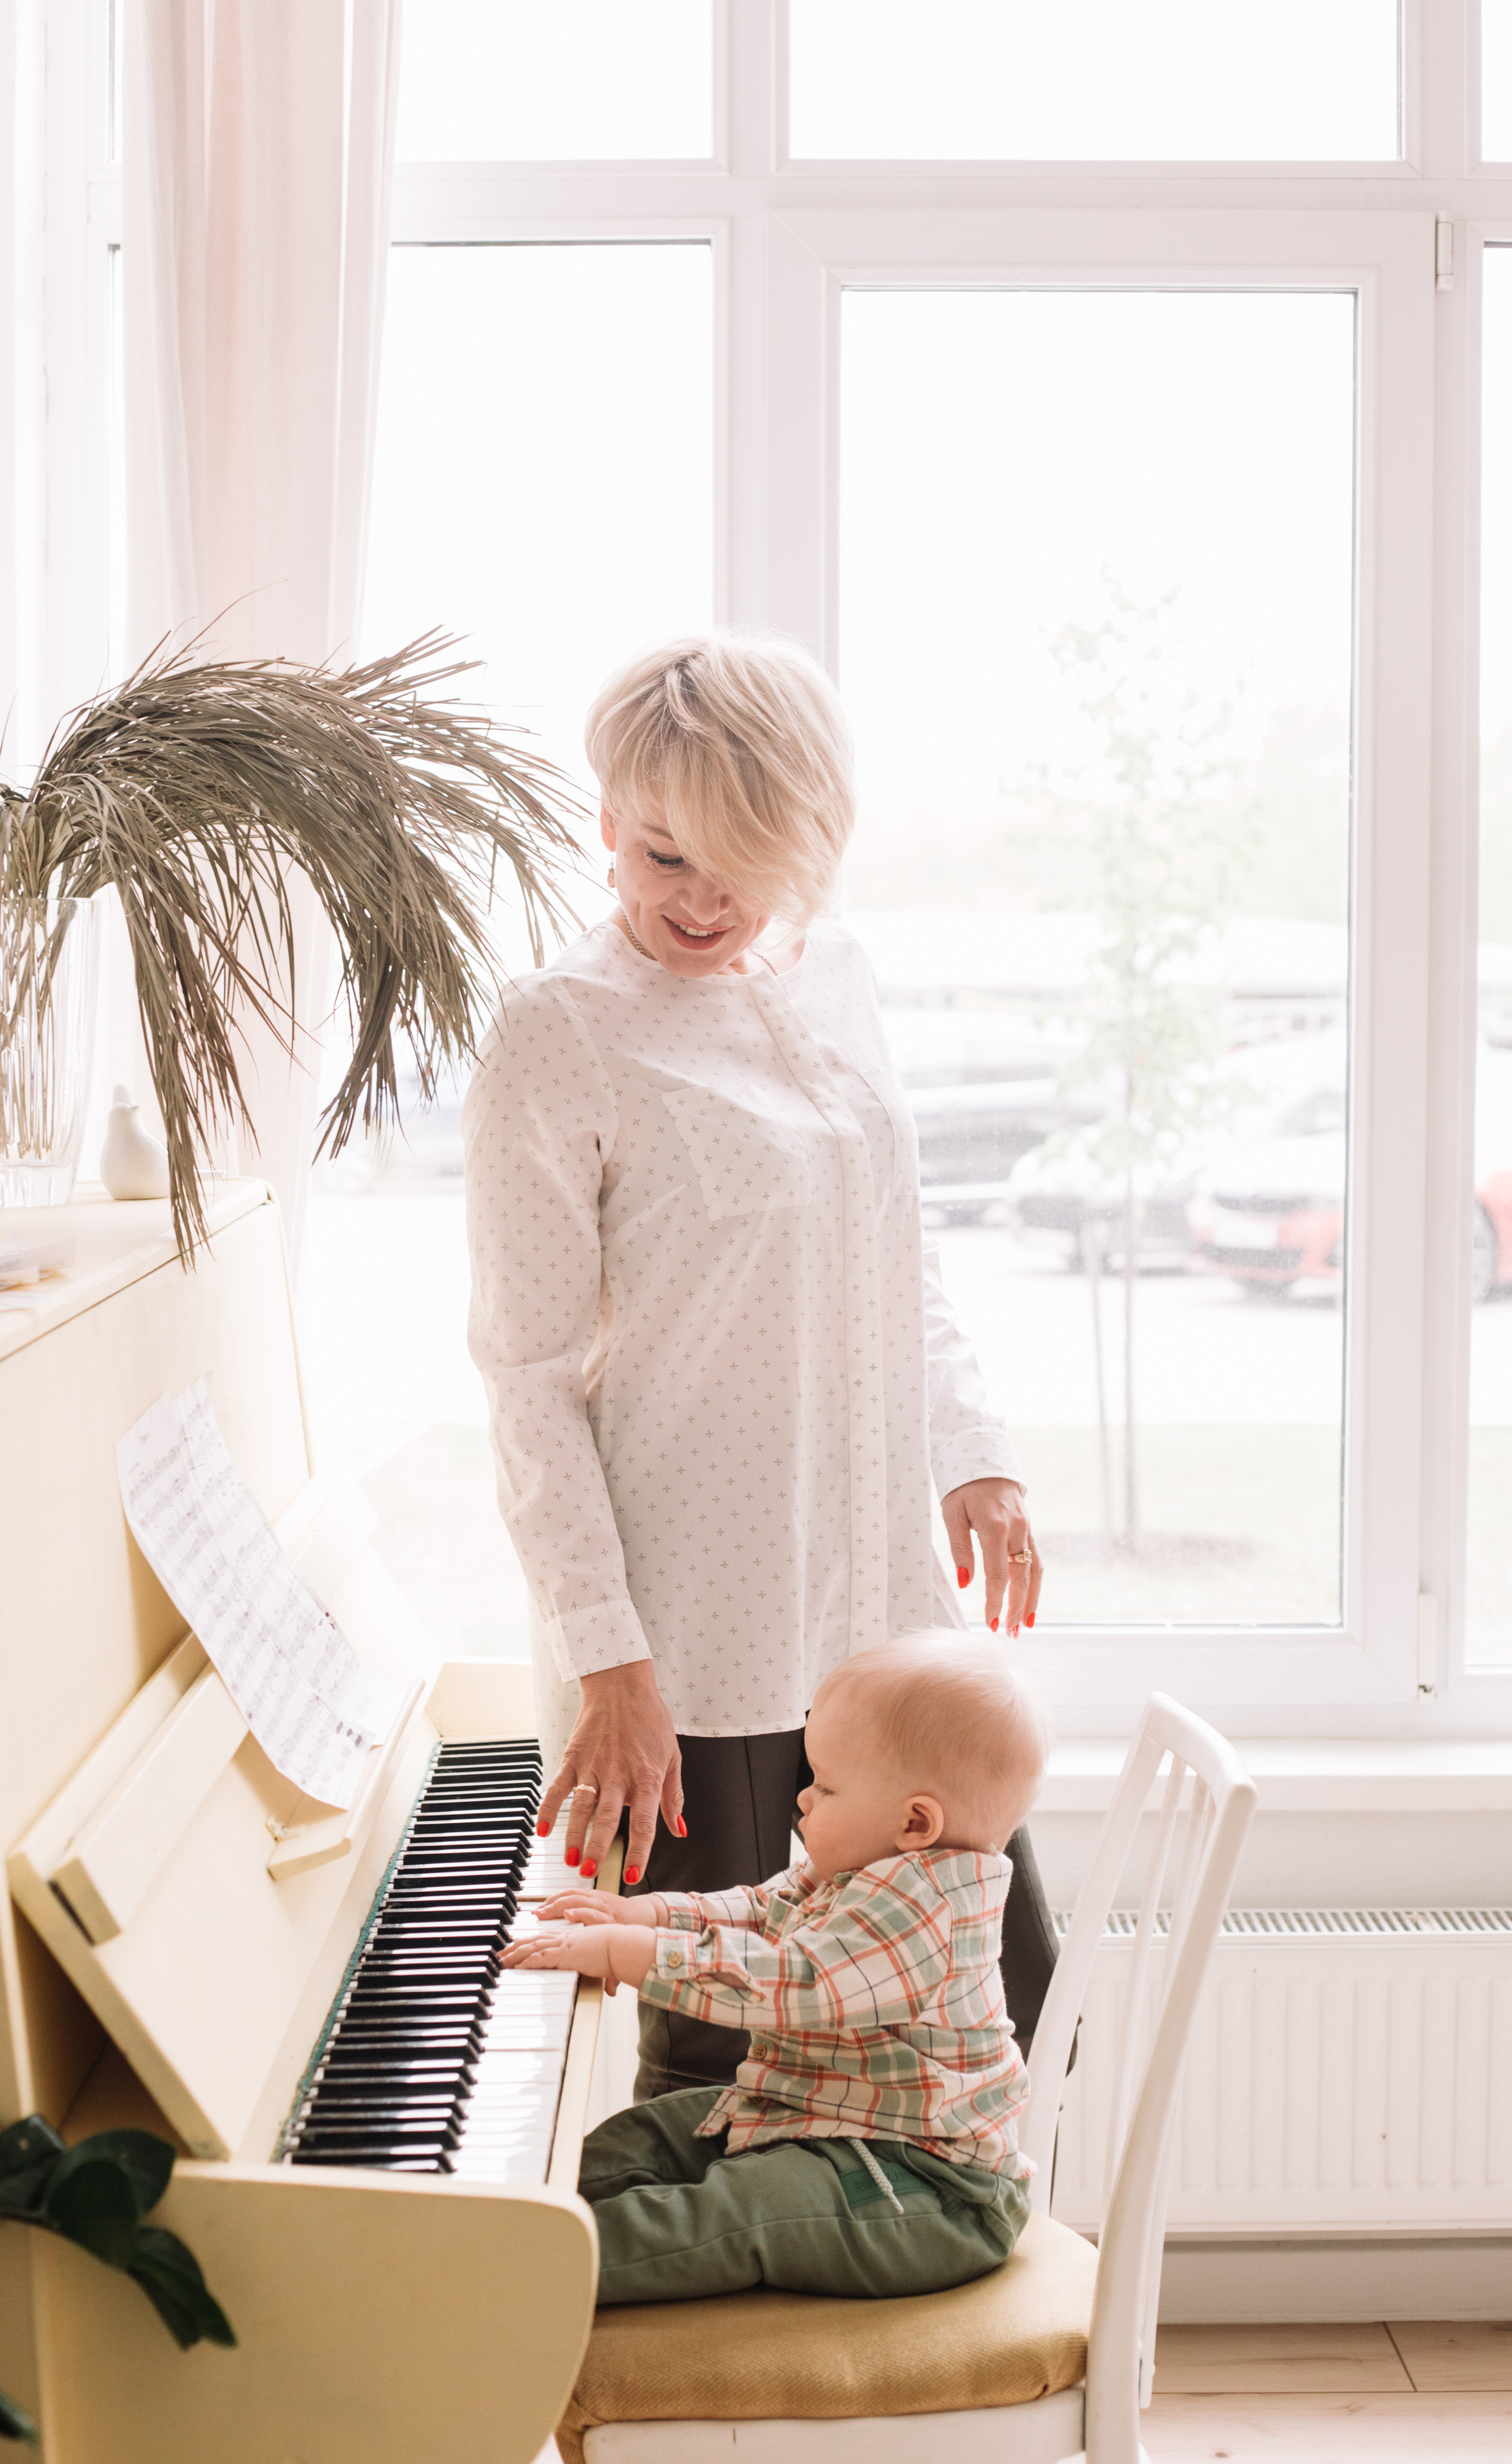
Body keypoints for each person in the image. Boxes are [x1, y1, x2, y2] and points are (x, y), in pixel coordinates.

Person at [462, 632, 1053, 2101]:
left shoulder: (836, 974)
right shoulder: (558, 1032)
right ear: (608, 820)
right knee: (717, 2069)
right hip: (697, 1652)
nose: (702, 900)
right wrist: (608, 1660)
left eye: (745, 864)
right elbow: (525, 1373)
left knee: (996, 1996)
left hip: (884, 1620)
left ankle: (938, 2235)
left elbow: (895, 1258)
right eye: (665, 854)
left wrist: (970, 1449)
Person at [502, 1634, 1046, 2304]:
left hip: (930, 2189)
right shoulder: (865, 1867)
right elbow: (761, 1910)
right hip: (816, 2120)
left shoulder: (927, 1911)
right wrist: (646, 1914)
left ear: (915, 1821)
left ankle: (519, 2274)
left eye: (826, 1786)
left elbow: (792, 1982)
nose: (805, 1800)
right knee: (649, 2135)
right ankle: (496, 2216)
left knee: (738, 2207)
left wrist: (628, 1954)